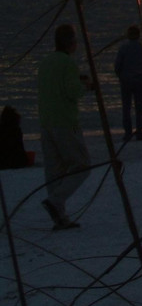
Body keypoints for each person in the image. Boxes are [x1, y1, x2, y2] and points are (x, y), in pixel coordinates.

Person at [38, 23, 94, 230]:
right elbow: (72, 92)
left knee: (55, 170)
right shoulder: (68, 63)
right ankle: (56, 201)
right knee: (82, 165)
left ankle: (60, 217)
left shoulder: (46, 63)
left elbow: (54, 86)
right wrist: (86, 86)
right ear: (71, 43)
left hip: (46, 123)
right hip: (65, 122)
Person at [114, 24, 142, 141]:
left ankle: (128, 132)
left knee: (127, 107)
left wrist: (121, 76)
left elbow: (117, 65)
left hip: (126, 81)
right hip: (139, 80)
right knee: (139, 107)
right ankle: (139, 131)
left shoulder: (123, 48)